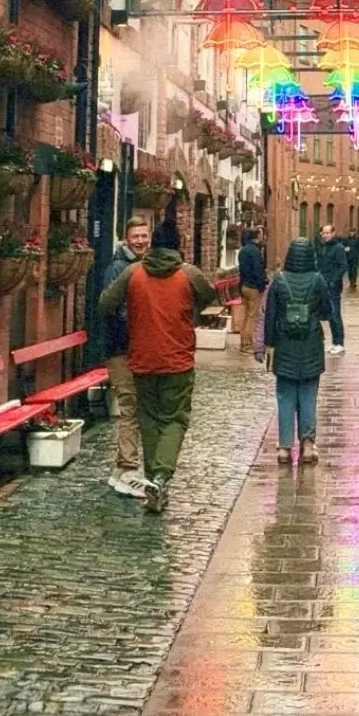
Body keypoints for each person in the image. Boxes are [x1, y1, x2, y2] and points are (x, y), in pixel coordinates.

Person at [98, 216, 216, 514]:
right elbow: (210, 295)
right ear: (177, 246)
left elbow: (104, 304)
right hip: (177, 361)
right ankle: (161, 475)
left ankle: (153, 485)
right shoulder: (189, 274)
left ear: (152, 243)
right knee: (175, 420)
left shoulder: (133, 273)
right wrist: (187, 312)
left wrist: (135, 310)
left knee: (148, 420)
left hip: (141, 360)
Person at [263, 238, 332, 464]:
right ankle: (309, 445)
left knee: (285, 397)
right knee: (308, 396)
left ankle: (284, 447)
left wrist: (269, 345)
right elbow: (326, 312)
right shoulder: (318, 280)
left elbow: (270, 317)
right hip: (311, 346)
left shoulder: (279, 281)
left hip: (284, 347)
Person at [99, 213, 151, 497]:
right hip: (121, 349)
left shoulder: (143, 266)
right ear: (126, 239)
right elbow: (113, 310)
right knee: (130, 407)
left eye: (144, 236)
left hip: (137, 350)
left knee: (135, 406)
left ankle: (120, 470)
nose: (141, 241)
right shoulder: (118, 268)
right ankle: (130, 469)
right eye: (136, 237)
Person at [315, 222, 348, 354]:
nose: (325, 235)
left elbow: (343, 266)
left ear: (333, 233)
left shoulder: (338, 248)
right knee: (329, 314)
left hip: (332, 286)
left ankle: (339, 342)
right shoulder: (323, 247)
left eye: (328, 233)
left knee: (335, 314)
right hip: (324, 284)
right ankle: (335, 342)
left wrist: (334, 281)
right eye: (323, 233)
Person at [237, 227, 266, 357]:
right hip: (253, 287)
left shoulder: (243, 250)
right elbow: (258, 270)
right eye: (261, 234)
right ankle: (247, 345)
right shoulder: (255, 251)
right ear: (257, 236)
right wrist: (262, 285)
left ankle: (243, 342)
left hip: (244, 286)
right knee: (252, 317)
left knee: (246, 316)